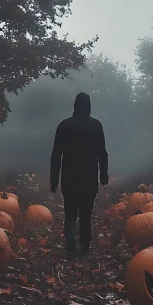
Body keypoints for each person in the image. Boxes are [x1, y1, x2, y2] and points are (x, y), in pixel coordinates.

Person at [50, 92, 109, 258]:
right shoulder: (96, 126)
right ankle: (84, 247)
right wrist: (103, 174)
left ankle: (71, 247)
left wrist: (53, 179)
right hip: (89, 176)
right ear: (89, 106)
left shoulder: (64, 126)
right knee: (86, 213)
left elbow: (56, 155)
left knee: (70, 212)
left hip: (69, 176)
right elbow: (102, 153)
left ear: (74, 106)